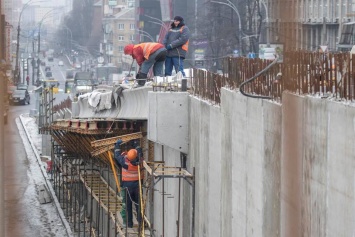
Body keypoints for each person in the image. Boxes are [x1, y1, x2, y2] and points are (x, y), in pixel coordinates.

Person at [114, 139, 144, 228]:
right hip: (138, 186)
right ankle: (140, 223)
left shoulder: (125, 163)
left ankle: (129, 224)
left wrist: (117, 145)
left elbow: (117, 156)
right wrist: (135, 143)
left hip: (127, 187)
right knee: (139, 206)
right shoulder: (141, 160)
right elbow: (139, 151)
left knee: (128, 207)